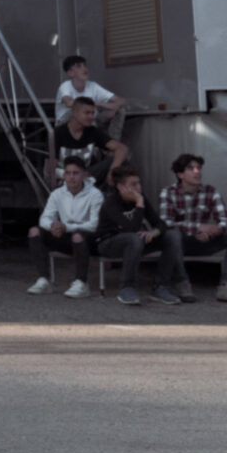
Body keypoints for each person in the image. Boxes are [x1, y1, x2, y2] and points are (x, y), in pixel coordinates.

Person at [161, 153, 227, 307]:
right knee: (172, 235)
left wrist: (211, 232)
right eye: (191, 168)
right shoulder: (169, 192)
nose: (197, 172)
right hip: (180, 244)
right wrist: (197, 227)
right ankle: (182, 283)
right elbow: (166, 223)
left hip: (204, 240)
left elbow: (225, 220)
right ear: (180, 174)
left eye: (198, 168)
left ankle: (226, 286)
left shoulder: (210, 191)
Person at [96, 164, 182, 307]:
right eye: (133, 184)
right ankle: (127, 288)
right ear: (121, 187)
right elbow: (131, 228)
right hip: (109, 243)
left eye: (139, 183)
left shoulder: (141, 198)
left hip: (135, 241)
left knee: (173, 236)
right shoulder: (111, 203)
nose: (138, 187)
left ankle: (160, 287)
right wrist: (139, 203)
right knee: (134, 238)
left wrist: (154, 232)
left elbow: (161, 224)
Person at [27, 158, 103, 298]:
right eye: (68, 173)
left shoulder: (95, 194)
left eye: (76, 173)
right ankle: (44, 280)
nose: (71, 177)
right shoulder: (57, 194)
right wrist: (53, 226)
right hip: (64, 236)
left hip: (89, 240)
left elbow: (94, 225)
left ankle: (81, 283)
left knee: (78, 236)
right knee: (34, 231)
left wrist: (65, 227)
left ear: (85, 175)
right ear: (64, 175)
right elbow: (45, 218)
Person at [50, 97, 126, 185]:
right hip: (65, 179)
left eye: (92, 113)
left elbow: (122, 149)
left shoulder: (92, 131)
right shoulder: (58, 133)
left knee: (122, 163)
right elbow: (50, 169)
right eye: (87, 113)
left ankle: (114, 196)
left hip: (88, 175)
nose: (91, 117)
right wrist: (75, 175)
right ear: (75, 112)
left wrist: (112, 171)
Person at [54, 55, 125, 126]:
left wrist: (100, 104)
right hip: (64, 124)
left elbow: (121, 101)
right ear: (70, 73)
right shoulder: (65, 86)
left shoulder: (93, 86)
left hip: (89, 118)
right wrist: (93, 104)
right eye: (79, 66)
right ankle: (92, 134)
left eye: (85, 65)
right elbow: (69, 103)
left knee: (119, 111)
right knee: (83, 112)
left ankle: (112, 137)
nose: (84, 69)